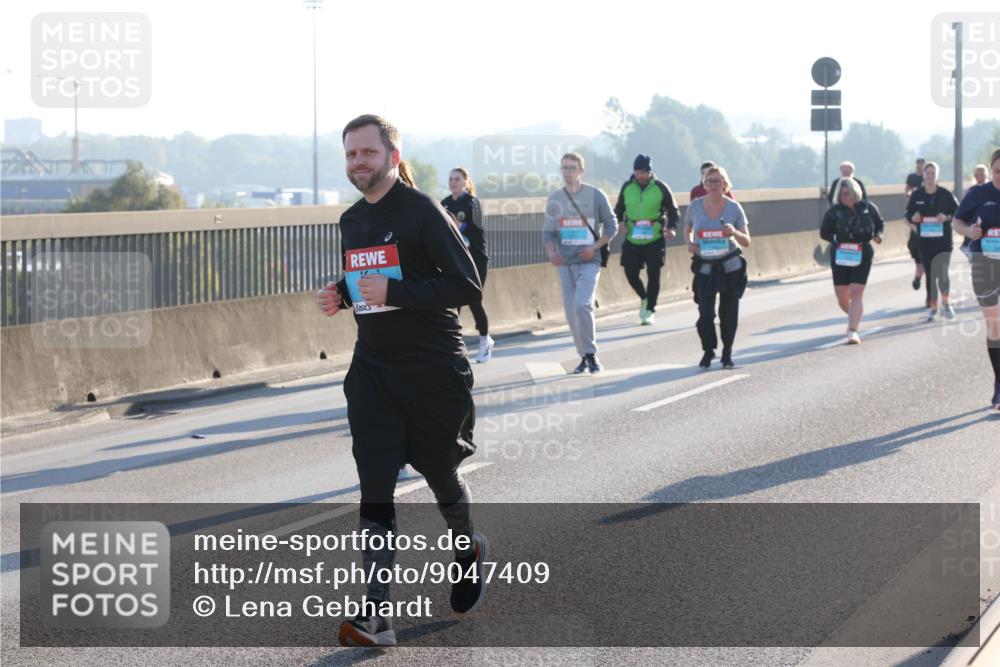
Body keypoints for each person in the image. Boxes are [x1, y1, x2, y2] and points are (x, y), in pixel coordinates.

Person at [315, 114, 488, 647]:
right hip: (374, 372)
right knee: (375, 485)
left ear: (392, 154)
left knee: (440, 474)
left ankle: (467, 548)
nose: (357, 163)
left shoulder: (422, 212)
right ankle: (376, 617)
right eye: (350, 155)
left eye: (367, 152)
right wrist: (340, 295)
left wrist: (398, 296)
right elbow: (366, 280)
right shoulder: (350, 220)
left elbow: (466, 283)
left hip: (433, 370)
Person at [543, 152, 618, 374]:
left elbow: (612, 226)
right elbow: (548, 233)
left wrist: (594, 247)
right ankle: (583, 356)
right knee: (571, 313)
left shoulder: (596, 195)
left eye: (572, 168)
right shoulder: (555, 198)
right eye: (565, 168)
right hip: (565, 263)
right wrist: (552, 253)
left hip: (589, 261)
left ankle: (592, 354)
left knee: (582, 305)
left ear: (581, 171)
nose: (568, 172)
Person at [684, 165, 751, 368]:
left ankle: (727, 352)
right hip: (705, 267)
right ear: (704, 184)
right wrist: (690, 243)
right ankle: (708, 349)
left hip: (730, 267)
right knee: (705, 314)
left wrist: (734, 233)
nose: (713, 184)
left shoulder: (734, 208)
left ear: (725, 184)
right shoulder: (695, 206)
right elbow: (687, 229)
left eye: (717, 180)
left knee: (728, 313)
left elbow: (747, 240)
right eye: (709, 181)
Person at [953, 148, 1000, 411]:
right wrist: (969, 230)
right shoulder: (978, 194)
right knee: (995, 328)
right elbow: (957, 222)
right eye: (997, 171)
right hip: (984, 265)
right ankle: (999, 385)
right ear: (991, 170)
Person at [615, 154, 679, 325]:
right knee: (630, 272)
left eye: (644, 172)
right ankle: (644, 297)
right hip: (633, 237)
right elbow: (618, 209)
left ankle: (650, 309)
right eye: (638, 172)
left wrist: (671, 228)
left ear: (651, 172)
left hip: (654, 237)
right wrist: (620, 223)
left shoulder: (660, 187)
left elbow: (673, 210)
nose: (641, 175)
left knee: (654, 273)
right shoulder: (627, 187)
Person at [820, 177, 885, 344]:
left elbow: (879, 224)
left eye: (848, 193)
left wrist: (878, 236)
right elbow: (824, 232)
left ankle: (852, 330)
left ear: (855, 192)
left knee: (857, 292)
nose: (846, 197)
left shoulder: (869, 208)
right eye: (842, 194)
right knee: (842, 295)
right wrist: (836, 237)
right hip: (841, 254)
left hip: (862, 252)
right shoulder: (835, 211)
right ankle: (853, 316)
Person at [442, 167, 494, 362]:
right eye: (451, 179)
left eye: (457, 179)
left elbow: (477, 232)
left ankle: (484, 342)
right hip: (456, 260)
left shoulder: (473, 203)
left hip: (476, 259)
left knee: (473, 299)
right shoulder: (444, 204)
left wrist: (458, 225)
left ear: (465, 182)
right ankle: (453, 346)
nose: (453, 182)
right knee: (454, 302)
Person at [905, 161, 959, 321]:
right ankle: (934, 308)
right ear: (923, 175)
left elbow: (958, 213)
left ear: (937, 176)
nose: (930, 176)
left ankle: (947, 303)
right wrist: (913, 218)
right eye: (927, 173)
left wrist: (947, 217)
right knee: (930, 275)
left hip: (943, 242)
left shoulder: (945, 194)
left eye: (933, 173)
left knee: (941, 273)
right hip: (925, 242)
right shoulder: (917, 195)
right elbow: (908, 215)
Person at [905, 158, 928, 298]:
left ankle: (928, 290)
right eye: (918, 166)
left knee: (927, 257)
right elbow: (906, 191)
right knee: (918, 256)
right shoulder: (912, 177)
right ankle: (918, 275)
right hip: (916, 221)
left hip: (929, 226)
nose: (920, 168)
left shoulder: (928, 179)